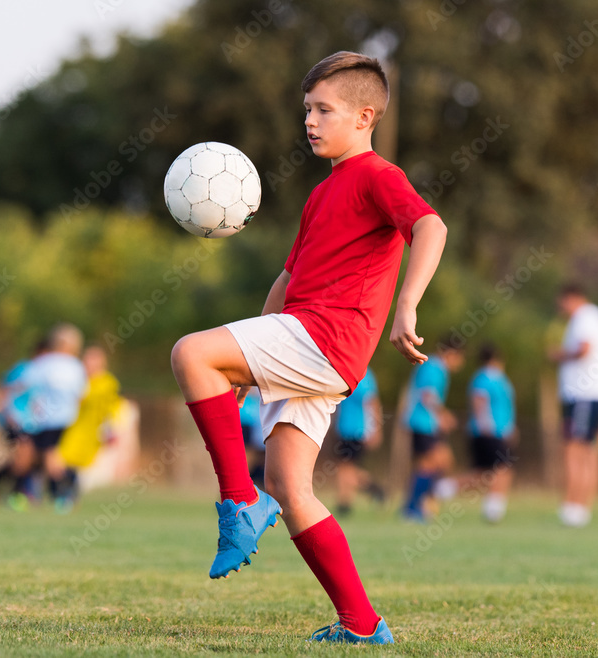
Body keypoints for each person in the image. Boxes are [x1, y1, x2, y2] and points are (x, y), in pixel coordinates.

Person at [169, 51, 447, 645]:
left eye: (324, 110)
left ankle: (237, 500)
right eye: (307, 111)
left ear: (365, 116)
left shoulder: (377, 175)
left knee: (189, 352)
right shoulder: (324, 194)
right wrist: (243, 364)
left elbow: (432, 227)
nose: (311, 122)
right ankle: (362, 625)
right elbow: (289, 280)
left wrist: (407, 305)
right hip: (311, 343)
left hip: (325, 337)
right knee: (292, 490)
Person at [549, 283, 598, 528]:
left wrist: (558, 355)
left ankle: (575, 505)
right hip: (590, 394)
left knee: (576, 449)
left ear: (571, 298)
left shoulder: (585, 317)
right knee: (586, 449)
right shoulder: (594, 316)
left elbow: (584, 350)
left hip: (584, 393)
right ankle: (580, 507)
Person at [10, 323, 87, 509]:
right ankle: (56, 494)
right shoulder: (76, 367)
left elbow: (22, 385)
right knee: (45, 456)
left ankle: (58, 494)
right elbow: (80, 395)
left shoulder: (43, 363)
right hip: (64, 419)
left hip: (41, 420)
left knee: (43, 457)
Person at [54, 345, 123, 512]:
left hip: (91, 430)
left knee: (74, 464)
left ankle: (67, 496)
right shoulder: (78, 378)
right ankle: (64, 495)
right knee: (62, 461)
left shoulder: (108, 383)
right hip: (72, 427)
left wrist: (111, 430)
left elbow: (112, 408)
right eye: (88, 359)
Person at [401, 341, 464, 522]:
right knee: (436, 462)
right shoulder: (436, 367)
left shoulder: (433, 366)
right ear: (453, 354)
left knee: (434, 463)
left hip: (425, 423)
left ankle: (417, 505)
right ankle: (415, 506)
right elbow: (428, 396)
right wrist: (444, 415)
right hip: (423, 422)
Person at [0, 338, 47, 505]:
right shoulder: (24, 370)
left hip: (28, 424)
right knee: (23, 458)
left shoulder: (40, 373)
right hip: (15, 421)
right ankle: (14, 494)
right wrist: (9, 416)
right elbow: (4, 392)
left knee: (23, 460)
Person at [465, 343, 518, 523]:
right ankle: (493, 510)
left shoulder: (498, 378)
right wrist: (485, 425)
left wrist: (510, 427)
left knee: (483, 473)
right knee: (502, 469)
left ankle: (442, 488)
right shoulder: (485, 378)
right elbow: (479, 402)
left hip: (499, 431)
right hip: (489, 432)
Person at [331, 366, 385, 516]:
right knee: (346, 468)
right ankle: (370, 491)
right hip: (344, 428)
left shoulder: (365, 375)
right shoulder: (343, 370)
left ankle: (345, 503)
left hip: (358, 430)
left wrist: (374, 430)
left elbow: (372, 403)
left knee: (344, 468)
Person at [238, 388, 266, 489]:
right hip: (246, 419)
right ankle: (236, 490)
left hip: (261, 420)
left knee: (263, 461)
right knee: (244, 461)